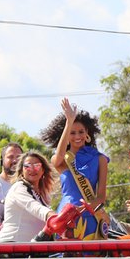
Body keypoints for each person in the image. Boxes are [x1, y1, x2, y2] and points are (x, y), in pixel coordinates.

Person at [41, 98, 109, 239]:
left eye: (81, 132)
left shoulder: (100, 159)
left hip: (90, 216)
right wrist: (69, 121)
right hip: (65, 217)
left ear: (87, 133)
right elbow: (58, 157)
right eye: (72, 133)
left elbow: (101, 196)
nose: (77, 136)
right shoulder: (62, 160)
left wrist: (89, 207)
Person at [0, 151, 57, 243]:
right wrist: (54, 216)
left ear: (43, 170)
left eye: (37, 165)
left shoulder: (43, 194)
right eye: (27, 166)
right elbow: (35, 207)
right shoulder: (19, 188)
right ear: (21, 171)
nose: (32, 169)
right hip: (11, 245)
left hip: (31, 248)